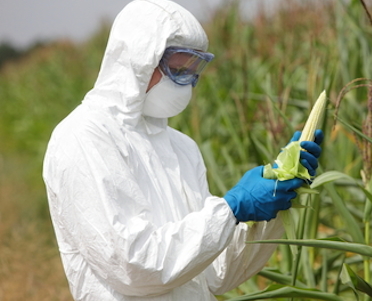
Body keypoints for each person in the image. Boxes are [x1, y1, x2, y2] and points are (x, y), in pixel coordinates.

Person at [42, 0, 324, 300]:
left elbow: (212, 274)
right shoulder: (84, 137)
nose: (186, 82)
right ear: (137, 61)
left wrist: (275, 201)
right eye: (177, 69)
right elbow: (133, 266)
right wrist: (231, 209)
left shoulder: (181, 147)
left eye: (193, 70)